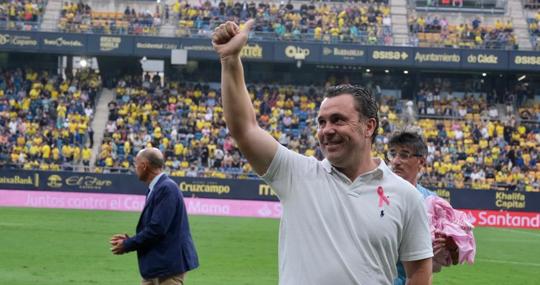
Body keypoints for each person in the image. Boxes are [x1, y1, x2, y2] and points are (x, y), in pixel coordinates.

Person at [212, 20, 433, 284]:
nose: (326, 130)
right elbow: (244, 129)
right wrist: (230, 60)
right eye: (321, 122)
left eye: (338, 120)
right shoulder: (297, 174)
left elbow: (419, 270)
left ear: (368, 126)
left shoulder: (406, 196)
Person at [110, 147, 198, 285]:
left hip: (167, 267)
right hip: (158, 265)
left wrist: (128, 244)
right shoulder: (158, 187)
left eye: (136, 164)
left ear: (144, 166)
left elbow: (157, 229)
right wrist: (131, 240)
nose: (135, 168)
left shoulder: (166, 188)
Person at [388, 131, 461, 285]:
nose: (395, 161)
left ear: (421, 162)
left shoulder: (433, 203)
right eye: (392, 154)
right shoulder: (377, 194)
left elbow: (451, 260)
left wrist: (451, 249)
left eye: (404, 155)